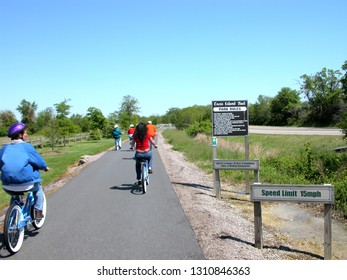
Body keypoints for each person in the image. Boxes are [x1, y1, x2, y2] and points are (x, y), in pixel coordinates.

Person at [0, 122, 49, 219]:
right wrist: (45, 167)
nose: (26, 134)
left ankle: (13, 217)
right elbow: (39, 162)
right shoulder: (27, 147)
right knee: (38, 189)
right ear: (20, 135)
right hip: (26, 184)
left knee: (14, 196)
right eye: (25, 133)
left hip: (7, 185)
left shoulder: (4, 149)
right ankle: (38, 211)